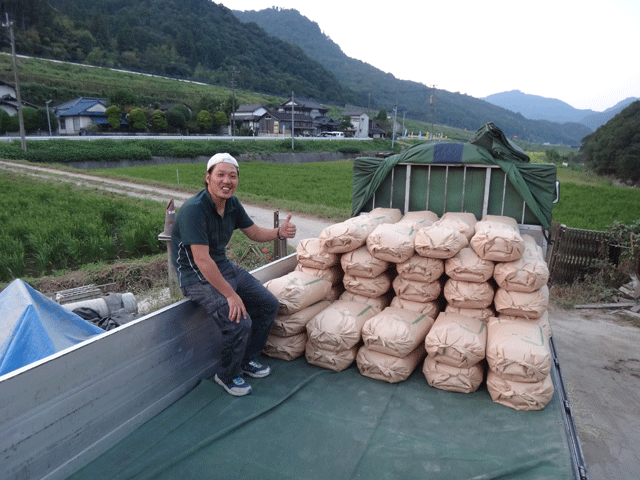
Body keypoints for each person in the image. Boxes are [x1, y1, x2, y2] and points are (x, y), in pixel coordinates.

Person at [170, 153, 296, 396]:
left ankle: (247, 360)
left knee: (268, 303)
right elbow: (202, 260)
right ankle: (227, 375)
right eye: (220, 175)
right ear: (208, 178)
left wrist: (279, 232)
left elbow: (254, 232)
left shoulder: (232, 204)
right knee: (238, 321)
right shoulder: (194, 210)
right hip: (195, 276)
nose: (226, 181)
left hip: (222, 266)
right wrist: (231, 294)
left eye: (232, 176)